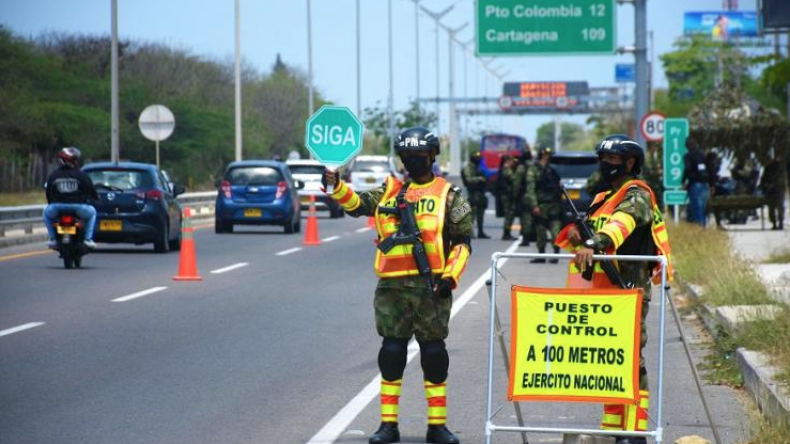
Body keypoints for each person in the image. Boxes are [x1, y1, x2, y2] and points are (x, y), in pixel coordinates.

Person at [323, 127, 472, 444]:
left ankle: (437, 426)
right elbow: (358, 204)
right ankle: (388, 426)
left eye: (418, 156)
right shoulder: (389, 191)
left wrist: (450, 277)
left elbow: (463, 242)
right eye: (406, 156)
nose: (412, 161)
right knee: (391, 352)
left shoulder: (450, 195)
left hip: (432, 288)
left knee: (433, 354)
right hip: (392, 289)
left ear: (432, 156)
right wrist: (336, 186)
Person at [555, 134, 673, 444]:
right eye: (603, 159)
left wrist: (595, 242)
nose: (605, 164)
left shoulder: (637, 194)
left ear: (630, 163)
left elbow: (622, 224)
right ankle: (612, 427)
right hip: (602, 289)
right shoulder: (602, 197)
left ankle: (634, 432)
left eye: (613, 160)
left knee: (631, 358)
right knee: (609, 360)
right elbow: (593, 233)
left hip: (629, 288)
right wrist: (578, 236)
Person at [44, 147, 98, 249]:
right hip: (78, 207)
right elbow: (91, 190)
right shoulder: (82, 175)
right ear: (76, 160)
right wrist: (95, 198)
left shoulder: (54, 175)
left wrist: (51, 203)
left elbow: (48, 192)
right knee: (92, 213)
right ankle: (87, 239)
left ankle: (53, 239)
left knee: (46, 213)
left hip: (57, 207)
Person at [525, 147, 562, 263]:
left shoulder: (552, 170)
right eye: (547, 155)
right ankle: (541, 254)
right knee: (540, 231)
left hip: (554, 205)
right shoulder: (533, 170)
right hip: (541, 205)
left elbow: (559, 187)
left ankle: (556, 254)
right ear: (542, 155)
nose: (549, 157)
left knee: (555, 230)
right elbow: (530, 189)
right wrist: (534, 205)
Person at [682, 136, 711, 226]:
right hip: (706, 185)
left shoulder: (688, 156)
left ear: (687, 146)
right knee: (703, 210)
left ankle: (700, 231)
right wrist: (712, 184)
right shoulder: (703, 155)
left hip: (695, 186)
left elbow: (687, 170)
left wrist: (683, 181)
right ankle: (704, 229)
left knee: (697, 211)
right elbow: (711, 169)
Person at [461, 151, 490, 239]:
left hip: (480, 193)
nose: (478, 159)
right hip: (473, 193)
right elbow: (469, 180)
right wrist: (480, 179)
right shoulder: (468, 167)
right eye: (476, 158)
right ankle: (469, 233)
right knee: (472, 215)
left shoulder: (477, 167)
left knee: (480, 215)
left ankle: (480, 232)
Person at [513, 150, 534, 247]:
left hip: (525, 196)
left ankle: (526, 239)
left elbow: (516, 183)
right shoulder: (535, 165)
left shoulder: (521, 167)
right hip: (536, 196)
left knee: (525, 218)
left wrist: (515, 195)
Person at [760, 157, 786, 230]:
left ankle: (780, 223)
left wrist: (773, 184)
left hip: (779, 189)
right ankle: (774, 223)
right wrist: (766, 185)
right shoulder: (768, 168)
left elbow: (782, 179)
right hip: (770, 191)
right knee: (771, 207)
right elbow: (763, 179)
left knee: (780, 206)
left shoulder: (781, 168)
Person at [497, 155, 518, 240]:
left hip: (507, 195)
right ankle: (506, 234)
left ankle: (507, 233)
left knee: (510, 214)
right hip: (507, 196)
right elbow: (514, 178)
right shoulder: (506, 169)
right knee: (509, 215)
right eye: (511, 161)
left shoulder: (504, 169)